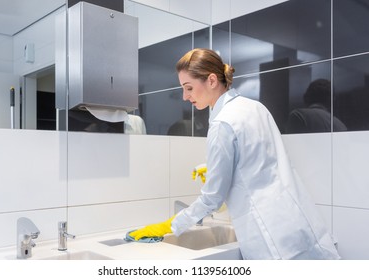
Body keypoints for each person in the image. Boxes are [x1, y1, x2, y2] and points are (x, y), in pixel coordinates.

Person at [129, 48, 340, 260]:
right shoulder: (256, 107)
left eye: (189, 87)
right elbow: (261, 160)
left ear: (212, 80)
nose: (185, 97)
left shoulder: (222, 124)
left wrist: (169, 226)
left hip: (270, 234)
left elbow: (212, 200)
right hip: (296, 220)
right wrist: (221, 168)